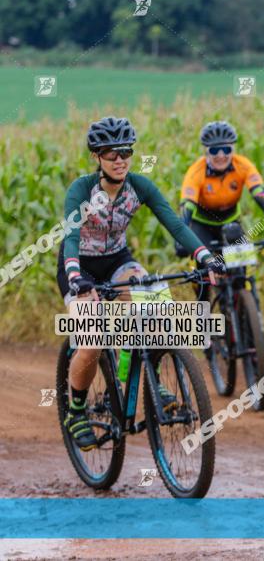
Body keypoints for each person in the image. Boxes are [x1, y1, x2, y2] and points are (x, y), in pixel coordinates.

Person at [58, 116, 221, 451]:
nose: (120, 159)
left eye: (126, 151)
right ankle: (75, 410)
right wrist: (75, 275)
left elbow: (175, 224)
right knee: (92, 339)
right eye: (111, 153)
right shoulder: (81, 189)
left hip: (118, 259)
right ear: (97, 157)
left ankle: (152, 379)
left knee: (158, 307)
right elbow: (71, 237)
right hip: (80, 265)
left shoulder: (140, 186)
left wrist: (205, 256)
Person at [176, 121, 264, 300]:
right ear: (206, 151)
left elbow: (261, 195)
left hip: (231, 224)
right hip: (203, 226)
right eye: (214, 151)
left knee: (243, 274)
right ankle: (203, 311)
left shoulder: (243, 165)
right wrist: (181, 240)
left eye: (226, 150)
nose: (221, 155)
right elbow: (187, 208)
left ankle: (250, 312)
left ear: (233, 149)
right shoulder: (195, 173)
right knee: (202, 273)